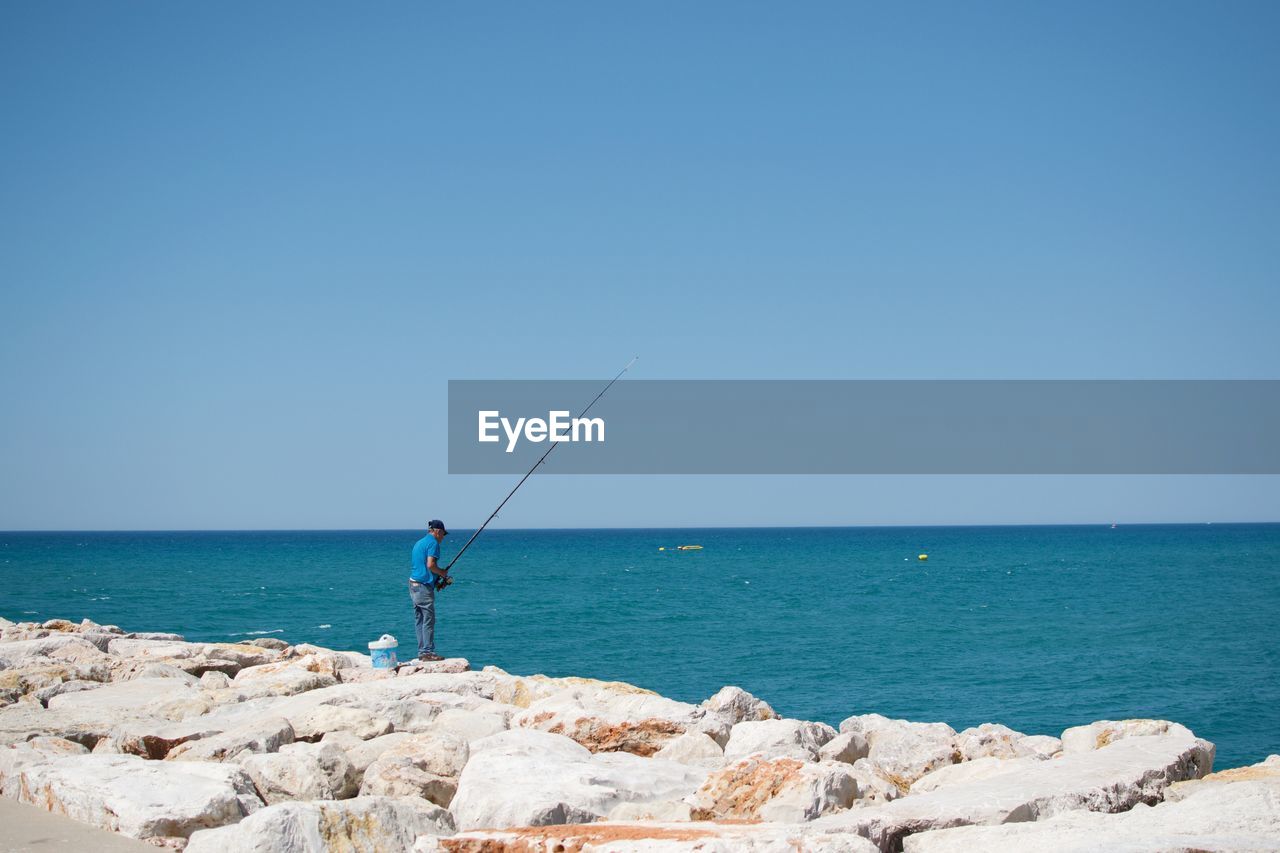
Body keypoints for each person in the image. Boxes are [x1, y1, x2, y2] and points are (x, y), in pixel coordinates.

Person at [409, 519, 450, 662]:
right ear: (437, 531)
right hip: (423, 587)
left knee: (419, 620)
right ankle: (428, 652)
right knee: (428, 620)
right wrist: (442, 573)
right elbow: (430, 565)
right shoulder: (433, 543)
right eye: (443, 534)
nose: (443, 538)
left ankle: (422, 651)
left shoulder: (419, 542)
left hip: (413, 584)